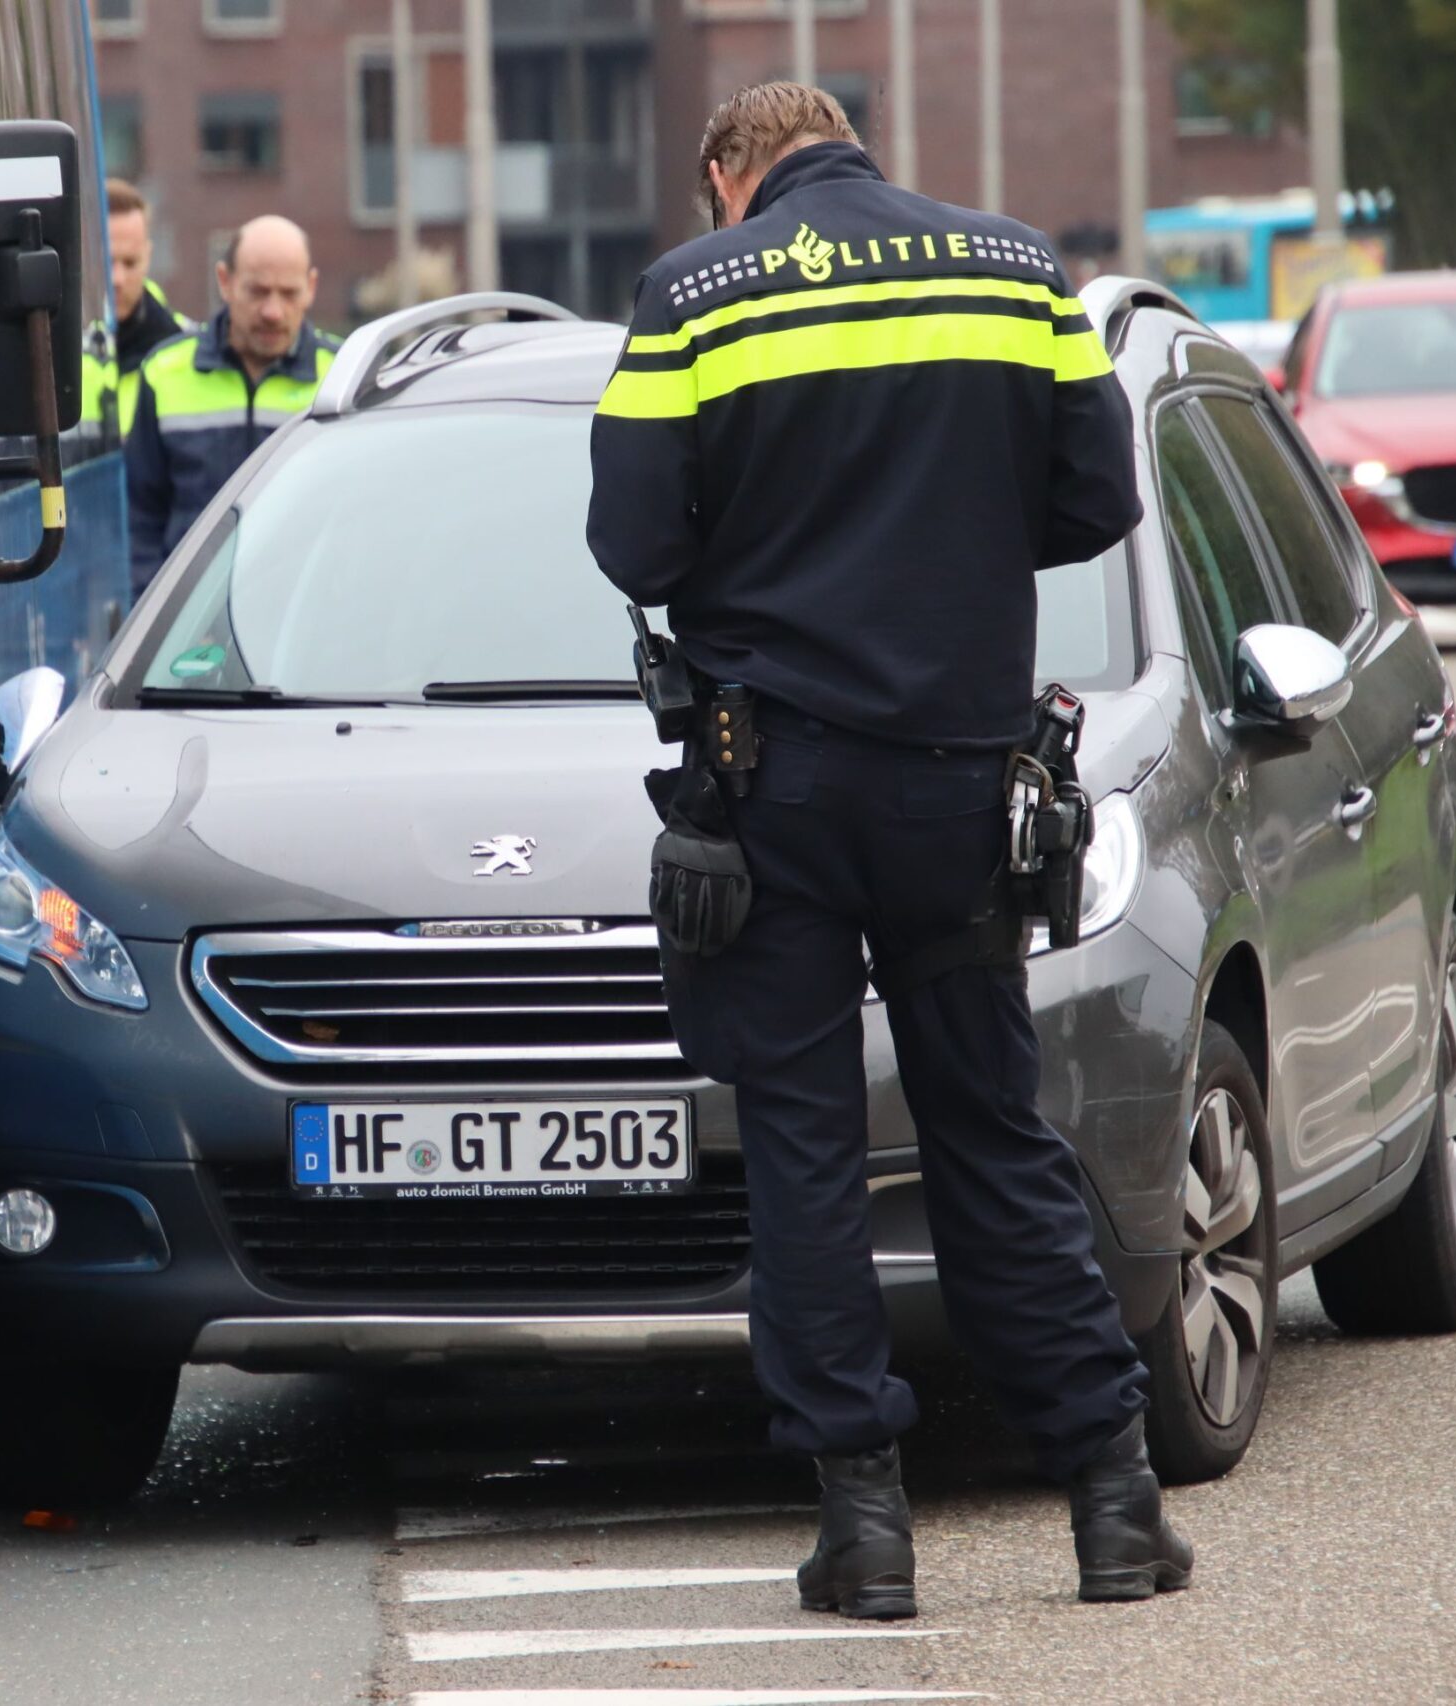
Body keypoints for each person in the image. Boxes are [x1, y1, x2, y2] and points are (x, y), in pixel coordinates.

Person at [585, 83, 1190, 1618]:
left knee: (804, 1150)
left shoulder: (692, 292)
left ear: (728, 173)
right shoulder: (1017, 266)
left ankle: (863, 1529)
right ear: (848, 141)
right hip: (960, 781)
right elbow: (1096, 497)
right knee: (990, 1126)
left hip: (772, 786)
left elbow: (633, 545)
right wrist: (946, 551)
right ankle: (1114, 1500)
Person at [125, 214, 339, 593]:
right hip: (193, 613)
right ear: (224, 281)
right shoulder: (165, 371)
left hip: (305, 608)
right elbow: (139, 515)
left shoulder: (341, 377)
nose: (273, 312)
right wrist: (156, 608)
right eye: (258, 291)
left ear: (311, 288)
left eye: (289, 293)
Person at [89, 178, 193, 437]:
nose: (117, 279)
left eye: (130, 262)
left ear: (148, 255)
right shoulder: (46, 351)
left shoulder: (191, 349)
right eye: (107, 261)